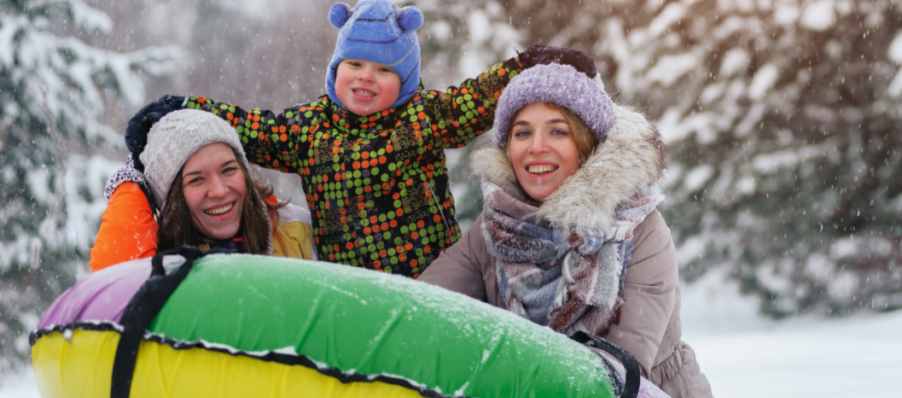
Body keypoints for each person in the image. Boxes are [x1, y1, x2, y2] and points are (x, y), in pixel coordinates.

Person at [418, 61, 835, 398]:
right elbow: (421, 306)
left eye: (557, 131)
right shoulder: (494, 228)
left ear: (586, 143)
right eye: (522, 132)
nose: (536, 147)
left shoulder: (641, 232)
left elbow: (613, 376)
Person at [130, 0, 594, 278]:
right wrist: (183, 108)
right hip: (350, 285)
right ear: (336, 70)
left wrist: (529, 64)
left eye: (384, 70)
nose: (366, 78)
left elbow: (473, 100)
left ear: (407, 79)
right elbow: (254, 129)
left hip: (430, 276)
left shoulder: (422, 117)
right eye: (354, 65)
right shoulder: (309, 129)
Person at [90, 109, 315, 271]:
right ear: (172, 199)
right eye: (197, 179)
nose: (219, 191)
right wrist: (130, 190)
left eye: (228, 170)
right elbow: (118, 297)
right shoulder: (157, 261)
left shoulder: (296, 234)